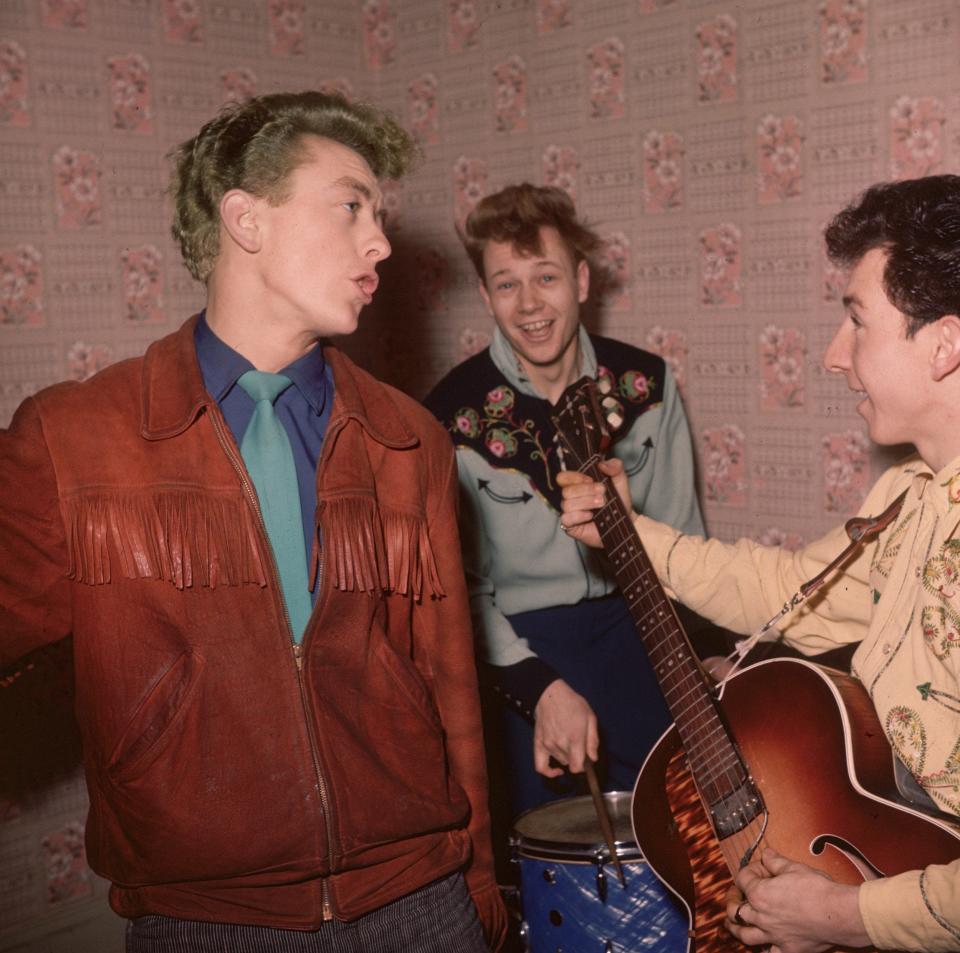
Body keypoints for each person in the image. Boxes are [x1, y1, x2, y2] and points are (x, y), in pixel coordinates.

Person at [0, 91, 506, 952]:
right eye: (351, 206)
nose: (380, 241)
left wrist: (479, 880)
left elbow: (451, 688)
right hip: (206, 922)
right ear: (245, 219)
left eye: (378, 217)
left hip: (422, 900)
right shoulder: (71, 438)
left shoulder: (408, 439)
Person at [559, 174, 960, 952]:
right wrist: (629, 535)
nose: (834, 355)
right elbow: (785, 591)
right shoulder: (912, 496)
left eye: (857, 321)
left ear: (944, 344)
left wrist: (845, 916)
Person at [425, 183, 706, 814]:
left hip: (643, 639)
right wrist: (538, 688)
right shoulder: (448, 414)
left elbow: (686, 542)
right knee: (553, 869)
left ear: (581, 282)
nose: (530, 304)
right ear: (485, 298)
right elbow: (460, 595)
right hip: (517, 657)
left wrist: (705, 662)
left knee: (681, 847)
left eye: (545, 277)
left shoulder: (647, 386)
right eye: (506, 284)